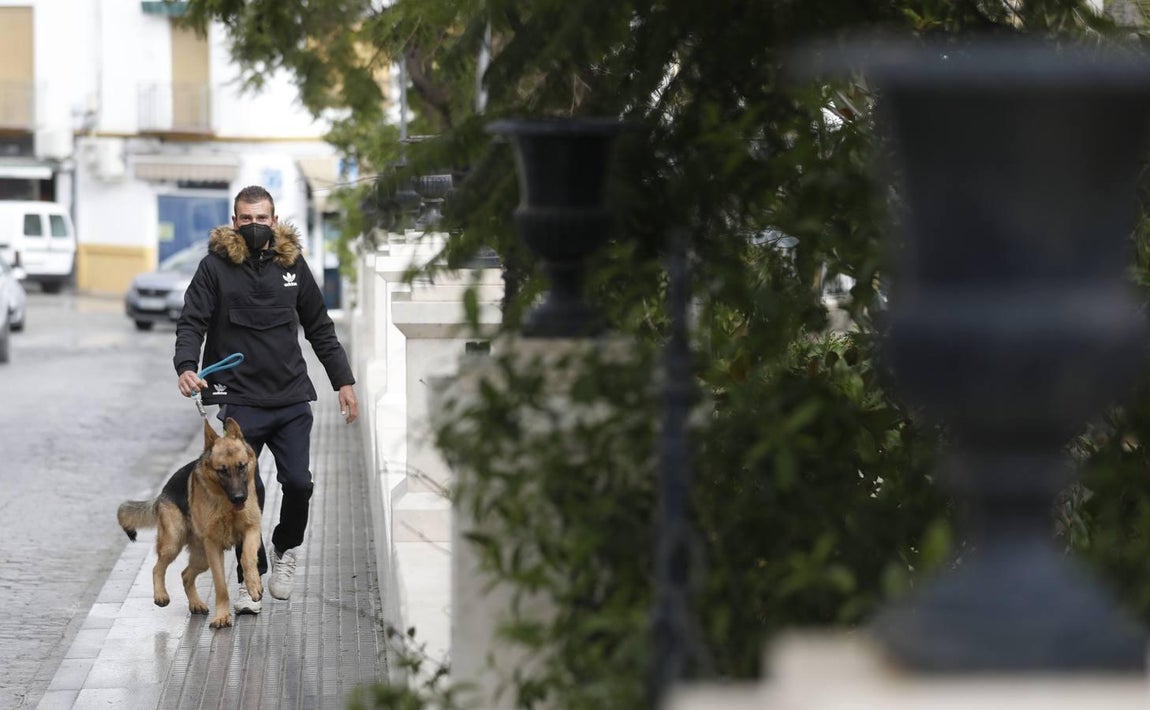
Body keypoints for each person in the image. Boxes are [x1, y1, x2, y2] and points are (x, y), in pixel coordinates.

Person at [174, 185, 358, 615]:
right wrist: (186, 365)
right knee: (244, 490)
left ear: (274, 221)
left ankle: (285, 548)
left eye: (261, 218)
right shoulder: (214, 268)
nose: (254, 226)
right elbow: (192, 321)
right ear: (234, 221)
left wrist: (343, 382)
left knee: (299, 483)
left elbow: (320, 326)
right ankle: (249, 579)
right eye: (246, 219)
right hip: (240, 399)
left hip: (291, 395)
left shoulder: (293, 265)